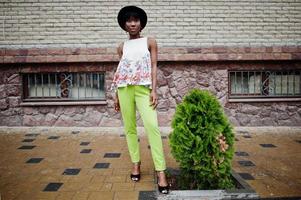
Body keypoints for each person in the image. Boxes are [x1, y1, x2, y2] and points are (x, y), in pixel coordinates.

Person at [110, 5, 169, 194]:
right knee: (129, 128)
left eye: (135, 20)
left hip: (144, 90)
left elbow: (153, 66)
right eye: (129, 20)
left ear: (141, 23)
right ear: (124, 25)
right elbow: (122, 69)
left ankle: (161, 171)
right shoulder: (121, 47)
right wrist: (116, 95)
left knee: (152, 127)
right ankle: (136, 163)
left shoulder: (150, 42)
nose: (132, 23)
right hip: (124, 89)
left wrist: (154, 90)